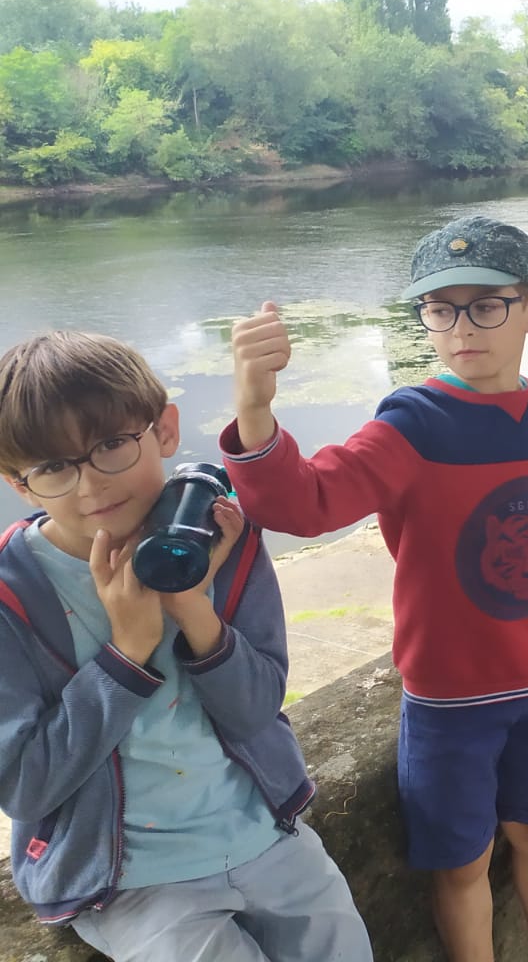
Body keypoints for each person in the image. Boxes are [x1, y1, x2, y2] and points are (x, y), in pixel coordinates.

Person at [225, 216, 528, 962]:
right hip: (451, 700)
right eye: (440, 310)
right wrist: (255, 410)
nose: (462, 329)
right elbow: (304, 503)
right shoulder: (414, 422)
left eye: (485, 306)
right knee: (462, 864)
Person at [0, 331, 370, 961]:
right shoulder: (15, 595)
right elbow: (26, 784)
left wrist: (194, 609)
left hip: (261, 832)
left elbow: (256, 710)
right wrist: (126, 655)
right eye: (54, 467)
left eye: (112, 445)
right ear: (21, 485)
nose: (90, 486)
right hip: (130, 879)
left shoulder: (223, 539)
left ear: (165, 431)